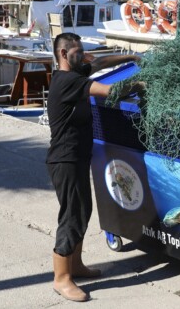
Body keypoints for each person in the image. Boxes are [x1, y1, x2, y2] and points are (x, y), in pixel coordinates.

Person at [46, 32, 143, 302]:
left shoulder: (74, 73)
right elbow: (110, 92)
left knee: (83, 210)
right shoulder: (69, 81)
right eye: (78, 51)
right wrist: (140, 85)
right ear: (63, 54)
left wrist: (132, 56)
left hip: (76, 157)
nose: (84, 55)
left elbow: (100, 63)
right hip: (65, 160)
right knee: (71, 217)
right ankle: (61, 278)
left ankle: (75, 265)